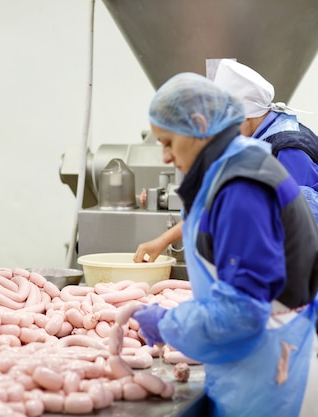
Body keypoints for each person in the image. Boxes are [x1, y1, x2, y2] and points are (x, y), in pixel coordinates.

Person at [132, 72, 318, 416]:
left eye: (168, 142)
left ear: (200, 126)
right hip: (255, 364)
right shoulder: (231, 167)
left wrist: (168, 323)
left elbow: (241, 312)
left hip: (273, 379)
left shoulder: (241, 188)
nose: (165, 157)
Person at [134, 59, 318, 263]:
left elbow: (301, 228)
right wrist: (163, 240)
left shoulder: (289, 148)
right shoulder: (253, 142)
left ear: (245, 117)